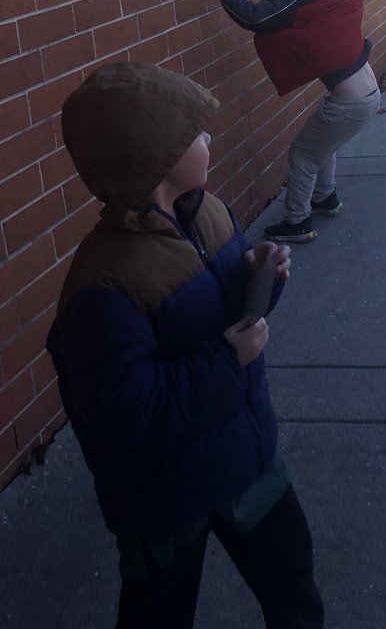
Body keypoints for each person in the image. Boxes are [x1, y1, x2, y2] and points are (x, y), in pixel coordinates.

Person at [46, 61, 324, 629]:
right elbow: (130, 411)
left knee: (293, 582)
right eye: (195, 132)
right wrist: (227, 359)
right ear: (156, 158)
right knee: (159, 612)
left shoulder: (210, 214)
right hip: (168, 493)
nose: (209, 138)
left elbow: (237, 319)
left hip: (244, 453)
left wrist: (260, 276)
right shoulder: (103, 284)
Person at [220, 0, 380, 244]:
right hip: (367, 95)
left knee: (304, 153)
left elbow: (257, 17)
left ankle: (297, 222)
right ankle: (324, 198)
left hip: (350, 104)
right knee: (322, 146)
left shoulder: (302, 3)